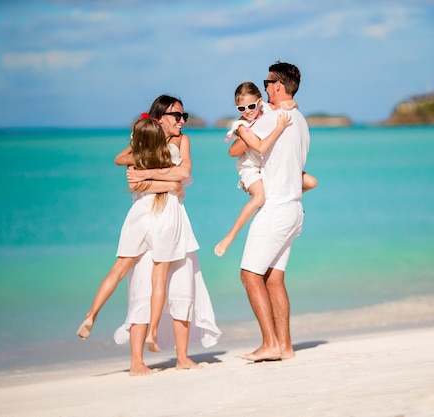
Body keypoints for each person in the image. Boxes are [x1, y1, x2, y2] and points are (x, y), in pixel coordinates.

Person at [76, 95, 221, 374]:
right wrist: (165, 180)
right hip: (157, 217)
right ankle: (137, 360)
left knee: (181, 285)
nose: (181, 121)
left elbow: (184, 171)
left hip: (166, 217)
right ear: (159, 117)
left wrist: (150, 176)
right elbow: (123, 161)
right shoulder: (144, 142)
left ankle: (181, 357)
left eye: (183, 115)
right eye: (176, 115)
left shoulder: (182, 141)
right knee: (142, 285)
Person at [232, 62, 310, 362]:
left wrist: (243, 127)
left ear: (278, 85)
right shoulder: (300, 119)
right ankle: (285, 346)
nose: (264, 89)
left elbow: (236, 150)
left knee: (250, 276)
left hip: (276, 208)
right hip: (294, 209)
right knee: (274, 279)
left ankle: (270, 344)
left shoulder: (274, 117)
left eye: (267, 83)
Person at [214, 82, 317, 257]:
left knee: (311, 182)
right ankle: (229, 237)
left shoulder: (268, 111)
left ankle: (291, 198)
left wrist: (293, 104)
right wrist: (279, 127)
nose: (247, 111)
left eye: (251, 106)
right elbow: (260, 148)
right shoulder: (240, 126)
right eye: (241, 108)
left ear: (260, 101)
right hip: (250, 168)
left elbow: (290, 105)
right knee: (260, 197)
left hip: (267, 165)